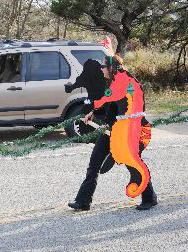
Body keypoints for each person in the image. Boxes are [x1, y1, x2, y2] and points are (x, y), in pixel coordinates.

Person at [68, 55, 158, 211]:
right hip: (109, 130)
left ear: (111, 68)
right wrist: (94, 113)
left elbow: (132, 109)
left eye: (103, 66)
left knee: (132, 164)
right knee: (94, 164)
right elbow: (110, 104)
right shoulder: (112, 82)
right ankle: (83, 201)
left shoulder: (128, 82)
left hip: (128, 131)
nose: (101, 69)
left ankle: (150, 198)